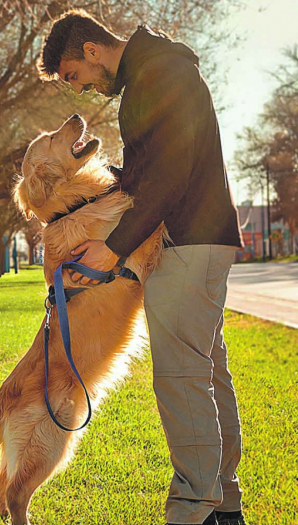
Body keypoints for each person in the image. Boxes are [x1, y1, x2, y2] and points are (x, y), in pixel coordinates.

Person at [37, 11, 246, 525]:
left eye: (73, 76)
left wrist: (114, 248)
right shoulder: (155, 72)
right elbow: (150, 172)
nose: (80, 89)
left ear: (90, 51)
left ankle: (194, 511)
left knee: (181, 377)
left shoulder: (157, 75)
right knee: (206, 371)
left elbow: (171, 172)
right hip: (196, 236)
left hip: (187, 238)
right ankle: (224, 504)